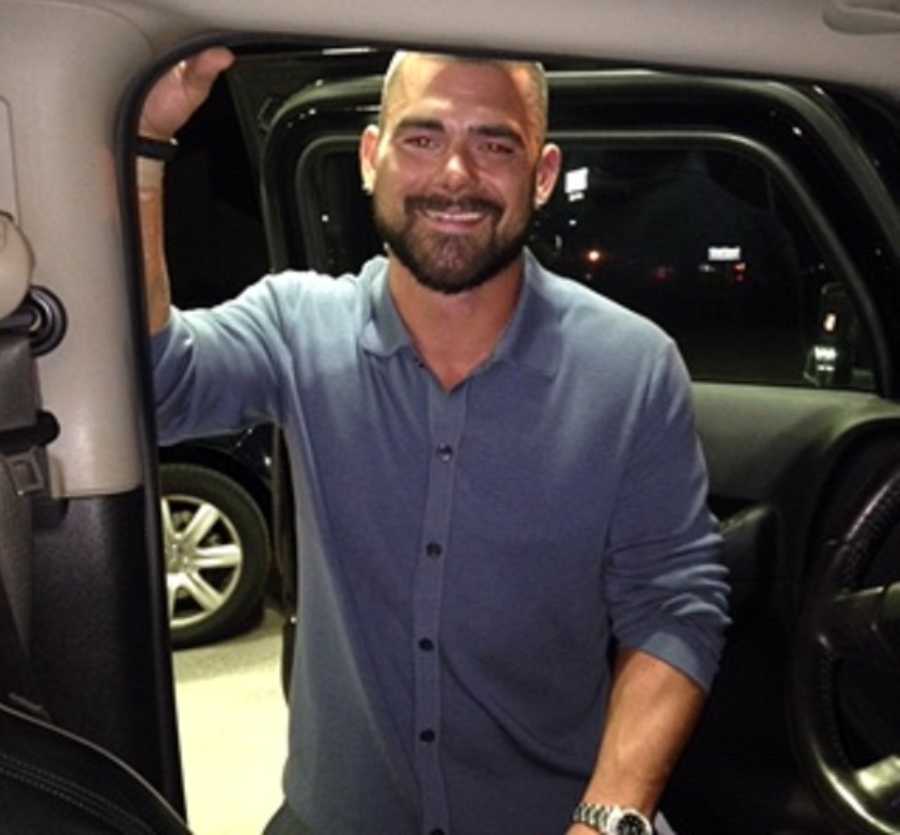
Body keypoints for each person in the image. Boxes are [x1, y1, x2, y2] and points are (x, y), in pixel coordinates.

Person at [138, 46, 730, 835]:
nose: (456, 173)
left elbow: (673, 602)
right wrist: (142, 148)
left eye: (495, 143)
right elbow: (153, 384)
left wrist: (608, 816)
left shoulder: (631, 367)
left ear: (542, 175)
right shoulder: (296, 326)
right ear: (370, 159)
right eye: (422, 137)